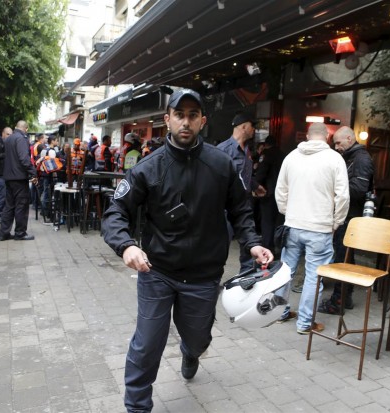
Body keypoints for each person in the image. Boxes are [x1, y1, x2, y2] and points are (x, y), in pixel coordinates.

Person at [103, 89, 273, 413]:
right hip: (158, 272)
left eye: (193, 115)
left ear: (202, 121)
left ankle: (190, 351)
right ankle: (137, 407)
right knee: (147, 343)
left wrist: (252, 243)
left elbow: (241, 210)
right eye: (179, 115)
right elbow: (115, 212)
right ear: (167, 120)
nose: (186, 121)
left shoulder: (221, 165)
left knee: (198, 340)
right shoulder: (147, 168)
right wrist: (126, 246)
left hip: (203, 276)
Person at [275, 122, 349, 333]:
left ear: (307, 136)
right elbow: (343, 196)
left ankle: (280, 312)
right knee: (313, 276)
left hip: (293, 225)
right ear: (327, 137)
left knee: (285, 272)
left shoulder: (291, 157)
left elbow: (280, 191)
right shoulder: (335, 159)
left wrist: (287, 213)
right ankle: (305, 323)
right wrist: (336, 222)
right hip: (320, 226)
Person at [318, 125, 374, 314]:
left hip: (351, 217)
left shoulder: (361, 158)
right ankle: (343, 298)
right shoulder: (350, 156)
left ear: (350, 139)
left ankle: (339, 301)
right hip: (347, 215)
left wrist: (334, 189)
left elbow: (359, 189)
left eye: (338, 143)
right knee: (345, 257)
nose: (336, 147)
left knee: (343, 258)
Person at [217, 113, 265, 273]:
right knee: (220, 246)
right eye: (253, 126)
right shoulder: (223, 150)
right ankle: (211, 278)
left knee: (248, 244)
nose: (254, 130)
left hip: (245, 205)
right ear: (244, 127)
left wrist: (255, 186)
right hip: (226, 208)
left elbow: (243, 175)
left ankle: (246, 278)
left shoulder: (247, 150)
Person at [0, 120, 37, 241]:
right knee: (21, 206)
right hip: (19, 178)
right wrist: (33, 172)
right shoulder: (21, 139)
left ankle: (4, 233)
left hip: (9, 177)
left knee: (9, 206)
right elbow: (24, 159)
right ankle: (20, 233)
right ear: (26, 129)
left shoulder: (9, 138)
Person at [253, 135, 285, 251]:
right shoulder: (283, 154)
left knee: (267, 221)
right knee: (278, 220)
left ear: (266, 144)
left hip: (268, 192)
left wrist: (255, 186)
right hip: (281, 192)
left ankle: (267, 247)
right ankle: (278, 245)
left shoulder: (266, 154)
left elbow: (262, 171)